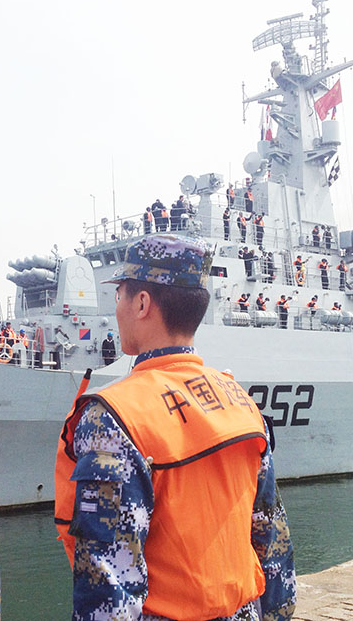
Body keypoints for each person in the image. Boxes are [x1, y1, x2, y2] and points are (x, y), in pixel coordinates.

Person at [54, 233, 295, 620]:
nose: (116, 308)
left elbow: (108, 582)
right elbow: (272, 540)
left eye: (120, 295)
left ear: (143, 303)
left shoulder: (116, 416)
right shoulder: (242, 404)